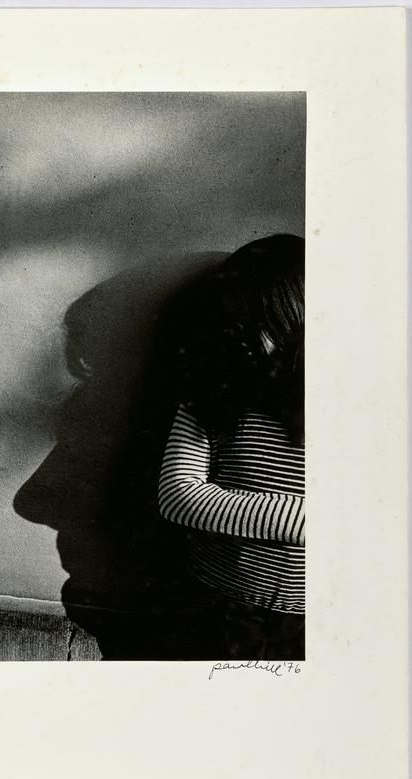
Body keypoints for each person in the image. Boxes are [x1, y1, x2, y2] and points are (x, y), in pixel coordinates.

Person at [157, 234, 305, 660]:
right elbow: (178, 496)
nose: (252, 341)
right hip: (217, 605)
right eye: (239, 324)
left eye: (266, 323)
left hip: (316, 621)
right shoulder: (214, 384)